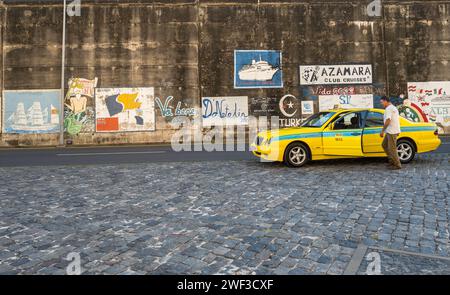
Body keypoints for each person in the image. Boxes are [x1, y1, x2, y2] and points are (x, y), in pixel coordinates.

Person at [380, 96, 402, 170]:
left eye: (382, 102)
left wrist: (382, 130)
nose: (381, 104)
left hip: (392, 131)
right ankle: (392, 161)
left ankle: (397, 164)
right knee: (384, 145)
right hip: (391, 130)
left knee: (392, 148)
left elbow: (388, 120)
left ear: (386, 101)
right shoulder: (393, 107)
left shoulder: (389, 109)